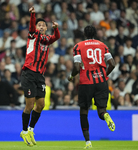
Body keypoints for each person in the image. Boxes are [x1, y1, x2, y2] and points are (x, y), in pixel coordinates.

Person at [68, 25, 116, 149]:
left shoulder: (78, 46)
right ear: (95, 34)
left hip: (86, 83)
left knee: (84, 111)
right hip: (101, 82)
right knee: (101, 110)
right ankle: (105, 115)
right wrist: (103, 75)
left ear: (84, 34)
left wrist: (71, 76)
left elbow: (77, 67)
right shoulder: (103, 45)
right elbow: (112, 64)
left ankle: (88, 142)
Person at [20, 6, 60, 147]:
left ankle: (31, 129)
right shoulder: (33, 35)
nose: (42, 26)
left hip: (40, 75)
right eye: (39, 25)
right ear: (36, 27)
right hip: (29, 73)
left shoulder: (47, 39)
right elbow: (31, 26)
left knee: (41, 104)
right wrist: (33, 15)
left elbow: (57, 37)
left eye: (44, 25)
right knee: (29, 105)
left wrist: (56, 28)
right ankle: (24, 131)